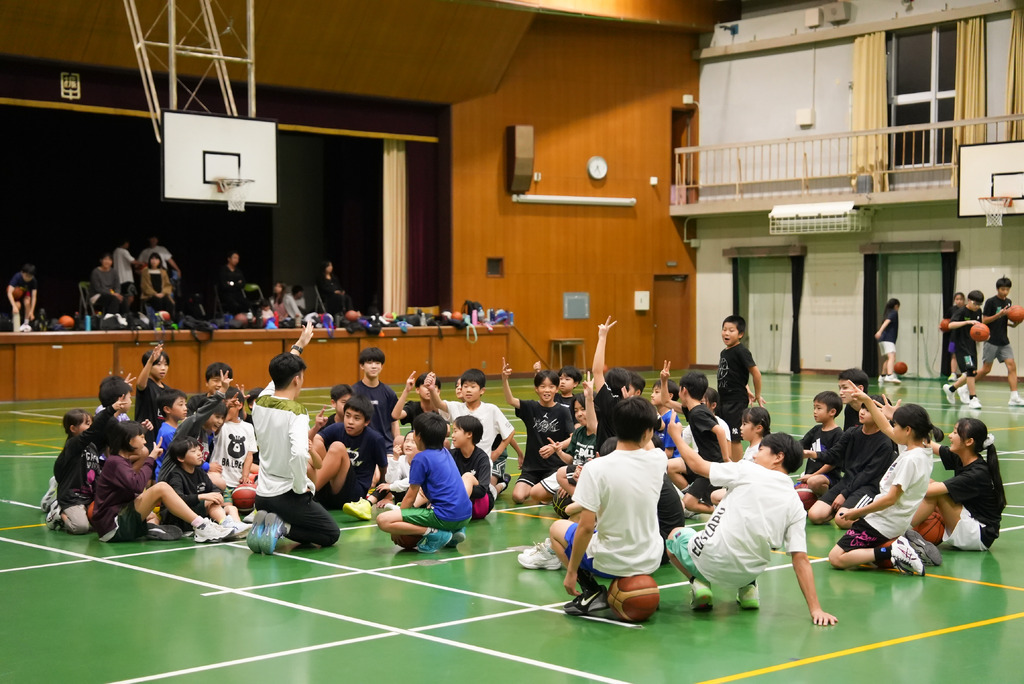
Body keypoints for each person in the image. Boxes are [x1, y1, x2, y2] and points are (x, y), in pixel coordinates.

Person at [664, 425, 838, 625]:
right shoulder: (796, 504)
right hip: (748, 571)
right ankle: (748, 589)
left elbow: (697, 465)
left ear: (778, 457)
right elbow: (801, 559)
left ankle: (699, 582)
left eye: (761, 450)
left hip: (709, 560)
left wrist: (676, 436)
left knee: (674, 535)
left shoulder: (747, 469)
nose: (755, 455)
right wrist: (816, 609)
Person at [547, 396, 666, 616]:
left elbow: (585, 528)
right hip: (651, 558)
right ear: (648, 432)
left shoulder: (596, 469)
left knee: (557, 529)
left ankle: (590, 590)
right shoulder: (658, 460)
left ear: (615, 427)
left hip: (609, 561)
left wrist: (571, 572)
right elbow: (649, 443)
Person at [249, 322, 339, 554]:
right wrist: (301, 488)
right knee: (330, 534)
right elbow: (299, 453)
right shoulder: (297, 412)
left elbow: (278, 376)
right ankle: (281, 527)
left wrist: (299, 345)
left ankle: (268, 522)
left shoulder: (260, 402)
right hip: (287, 496)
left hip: (262, 496)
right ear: (297, 379)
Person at [828, 396, 940, 576]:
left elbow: (890, 499)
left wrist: (857, 512)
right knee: (863, 555)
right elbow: (886, 428)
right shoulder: (921, 450)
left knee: (836, 558)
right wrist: (867, 401)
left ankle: (893, 550)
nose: (891, 428)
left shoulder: (910, 460)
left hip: (882, 521)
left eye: (896, 425)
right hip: (896, 521)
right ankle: (902, 545)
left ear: (908, 430)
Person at [92, 422, 232, 543]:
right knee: (161, 487)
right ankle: (201, 526)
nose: (145, 441)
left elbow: (134, 482)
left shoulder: (120, 461)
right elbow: (137, 485)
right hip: (113, 526)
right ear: (129, 441)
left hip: (115, 523)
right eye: (141, 437)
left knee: (155, 498)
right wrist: (151, 459)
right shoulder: (116, 462)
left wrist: (149, 456)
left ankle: (151, 526)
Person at [518, 378, 598, 570]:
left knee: (572, 510)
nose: (579, 414)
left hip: (591, 484)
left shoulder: (600, 433)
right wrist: (559, 451)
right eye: (576, 410)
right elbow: (570, 460)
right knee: (554, 481)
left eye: (583, 409)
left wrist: (589, 397)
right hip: (578, 477)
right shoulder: (579, 433)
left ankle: (555, 549)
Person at [376, 412, 473, 553]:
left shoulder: (420, 458)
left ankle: (434, 533)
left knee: (383, 520)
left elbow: (410, 496)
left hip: (444, 517)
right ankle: (456, 531)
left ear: (419, 436)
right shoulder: (445, 452)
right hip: (466, 515)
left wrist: (398, 524)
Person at [48, 376, 131, 534]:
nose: (91, 427)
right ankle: (58, 513)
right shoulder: (73, 445)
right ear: (73, 429)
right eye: (87, 424)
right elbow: (96, 428)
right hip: (72, 497)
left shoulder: (93, 446)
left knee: (101, 522)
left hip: (88, 496)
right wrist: (111, 409)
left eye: (91, 423)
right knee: (81, 527)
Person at [913, 417, 1004, 551]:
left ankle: (900, 531)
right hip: (970, 520)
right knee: (930, 484)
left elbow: (928, 491)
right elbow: (927, 444)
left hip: (979, 534)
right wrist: (899, 419)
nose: (950, 435)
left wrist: (903, 481)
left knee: (934, 492)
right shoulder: (962, 458)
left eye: (955, 432)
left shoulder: (977, 473)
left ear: (969, 441)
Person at [805, 394, 895, 527]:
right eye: (862, 408)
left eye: (868, 410)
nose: (862, 412)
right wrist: (812, 454)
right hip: (847, 481)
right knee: (815, 515)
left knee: (842, 520)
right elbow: (833, 455)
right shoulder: (852, 432)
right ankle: (843, 509)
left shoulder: (885, 442)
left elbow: (867, 475)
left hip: (868, 487)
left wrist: (844, 494)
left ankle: (877, 516)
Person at [428, 368, 516, 493]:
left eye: (473, 386)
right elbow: (439, 404)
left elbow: (510, 431)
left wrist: (497, 452)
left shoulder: (491, 410)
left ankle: (500, 486)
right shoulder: (456, 407)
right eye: (465, 386)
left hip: (481, 464)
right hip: (457, 462)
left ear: (482, 390)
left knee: (481, 493)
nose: (468, 390)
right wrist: (432, 390)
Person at [501, 362, 573, 504]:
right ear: (536, 389)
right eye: (542, 386)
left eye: (551, 386)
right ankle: (541, 490)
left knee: (540, 498)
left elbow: (572, 437)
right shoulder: (531, 407)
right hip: (532, 468)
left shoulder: (563, 411)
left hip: (554, 467)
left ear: (556, 389)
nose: (547, 390)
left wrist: (556, 447)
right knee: (518, 497)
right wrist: (504, 379)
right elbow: (510, 400)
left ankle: (543, 491)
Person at [311, 393, 389, 520]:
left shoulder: (375, 439)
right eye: (347, 416)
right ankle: (308, 490)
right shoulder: (337, 428)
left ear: (366, 422)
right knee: (316, 443)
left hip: (353, 495)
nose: (350, 422)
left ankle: (306, 495)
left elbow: (384, 473)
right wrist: (316, 428)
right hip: (328, 493)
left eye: (356, 418)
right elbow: (313, 442)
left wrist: (383, 495)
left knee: (337, 447)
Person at [664, 369, 730, 515]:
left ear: (684, 390)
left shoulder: (698, 413)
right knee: (669, 466)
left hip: (710, 465)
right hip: (701, 459)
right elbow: (666, 401)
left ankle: (719, 510)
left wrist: (726, 459)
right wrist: (664, 381)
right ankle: (692, 492)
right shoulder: (693, 409)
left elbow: (720, 431)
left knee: (689, 504)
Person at [159, 435, 250, 538]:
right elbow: (177, 500)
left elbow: (214, 488)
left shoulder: (199, 472)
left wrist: (217, 495)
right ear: (181, 458)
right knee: (209, 502)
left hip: (198, 512)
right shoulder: (175, 475)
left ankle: (237, 527)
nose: (199, 453)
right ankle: (225, 524)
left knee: (231, 508)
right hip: (180, 518)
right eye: (193, 451)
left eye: (199, 450)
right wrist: (203, 497)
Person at [718, 315, 764, 462]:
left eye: (731, 330)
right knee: (724, 433)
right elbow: (736, 373)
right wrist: (747, 388)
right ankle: (727, 463)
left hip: (736, 401)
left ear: (740, 334)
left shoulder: (741, 351)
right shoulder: (725, 352)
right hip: (723, 400)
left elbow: (756, 373)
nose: (726, 333)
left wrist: (757, 394)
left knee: (734, 436)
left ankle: (737, 468)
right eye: (724, 329)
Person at [975, 277, 1024, 406]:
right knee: (986, 369)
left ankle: (1014, 396)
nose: (1005, 292)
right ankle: (966, 386)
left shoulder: (1008, 302)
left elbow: (1005, 321)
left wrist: (1015, 323)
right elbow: (984, 321)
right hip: (991, 340)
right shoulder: (991, 302)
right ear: (997, 289)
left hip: (1004, 340)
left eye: (1007, 289)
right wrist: (999, 314)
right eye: (1003, 289)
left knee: (1012, 366)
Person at [943, 290, 985, 409]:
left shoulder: (978, 311)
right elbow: (950, 325)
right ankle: (973, 398)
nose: (977, 306)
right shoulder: (961, 311)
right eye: (975, 304)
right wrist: (967, 322)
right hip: (961, 345)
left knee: (972, 372)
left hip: (971, 345)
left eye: (979, 304)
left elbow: (979, 327)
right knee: (970, 370)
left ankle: (952, 389)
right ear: (969, 301)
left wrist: (985, 335)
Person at [797, 391, 844, 497]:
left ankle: (828, 499)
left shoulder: (838, 434)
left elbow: (832, 463)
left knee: (814, 481)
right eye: (814, 408)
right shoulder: (816, 429)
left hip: (828, 477)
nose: (815, 412)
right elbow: (801, 445)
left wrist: (812, 475)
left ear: (832, 412)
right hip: (811, 475)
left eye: (819, 408)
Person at [450, 415, 496, 520]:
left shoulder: (482, 458)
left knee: (468, 477)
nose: (452, 435)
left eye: (456, 431)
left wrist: (460, 487)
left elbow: (482, 490)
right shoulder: (450, 455)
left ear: (469, 434)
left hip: (479, 505)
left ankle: (458, 510)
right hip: (454, 501)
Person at [211, 387, 257, 489]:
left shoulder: (248, 427)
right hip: (220, 479)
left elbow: (249, 455)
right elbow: (218, 425)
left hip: (238, 481)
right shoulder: (221, 425)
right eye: (224, 406)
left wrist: (245, 476)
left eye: (229, 407)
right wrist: (226, 407)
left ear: (239, 405)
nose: (225, 410)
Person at [353, 347, 399, 440]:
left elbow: (394, 422)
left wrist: (397, 441)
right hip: (361, 443)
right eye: (369, 363)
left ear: (381, 366)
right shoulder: (353, 392)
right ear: (362, 366)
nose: (374, 366)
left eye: (377, 363)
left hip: (386, 444)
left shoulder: (389, 393)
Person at [135, 343, 171, 445]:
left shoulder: (168, 390)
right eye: (158, 364)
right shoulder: (146, 386)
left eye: (166, 364)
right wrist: (151, 360)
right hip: (147, 437)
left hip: (162, 437)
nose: (163, 368)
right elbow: (140, 384)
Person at [155, 389, 189, 479]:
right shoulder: (169, 433)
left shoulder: (175, 428)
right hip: (168, 477)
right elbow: (185, 456)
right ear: (167, 409)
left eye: (185, 404)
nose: (185, 408)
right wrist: (207, 466)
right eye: (181, 405)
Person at [89, 252, 130, 322]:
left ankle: (126, 320)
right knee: (114, 299)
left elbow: (117, 286)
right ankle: (110, 321)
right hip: (97, 295)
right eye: (105, 259)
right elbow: (98, 289)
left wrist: (117, 293)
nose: (107, 261)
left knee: (123, 299)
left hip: (111, 294)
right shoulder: (96, 272)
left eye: (109, 260)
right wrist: (113, 294)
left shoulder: (114, 272)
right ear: (101, 260)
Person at [876, 298, 901, 384]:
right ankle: (890, 375)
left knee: (889, 358)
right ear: (896, 306)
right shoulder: (894, 312)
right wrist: (880, 331)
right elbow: (887, 321)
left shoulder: (888, 313)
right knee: (892, 357)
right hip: (888, 339)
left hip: (883, 339)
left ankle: (882, 376)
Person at [112, 239, 143, 308]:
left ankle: (122, 311)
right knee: (130, 297)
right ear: (125, 243)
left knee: (121, 297)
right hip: (126, 278)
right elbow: (133, 261)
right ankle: (125, 311)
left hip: (118, 279)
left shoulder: (115, 251)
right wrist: (142, 263)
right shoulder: (124, 251)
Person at [217, 250, 248, 315]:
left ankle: (245, 318)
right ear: (229, 259)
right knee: (234, 304)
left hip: (237, 293)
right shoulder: (223, 270)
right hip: (226, 294)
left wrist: (232, 283)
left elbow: (243, 284)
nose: (236, 260)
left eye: (238, 258)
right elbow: (224, 285)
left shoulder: (238, 271)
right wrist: (237, 283)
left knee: (246, 303)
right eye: (234, 258)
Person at [7, 263, 37, 329]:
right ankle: (15, 324)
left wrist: (32, 311)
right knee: (17, 306)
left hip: (25, 293)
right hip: (16, 294)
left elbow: (34, 297)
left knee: (27, 302)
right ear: (22, 272)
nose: (28, 278)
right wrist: (14, 306)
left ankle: (26, 324)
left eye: (30, 276)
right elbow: (9, 292)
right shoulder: (17, 277)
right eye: (26, 276)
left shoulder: (33, 281)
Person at [944, 292, 966, 381]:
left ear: (964, 300)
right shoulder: (951, 309)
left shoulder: (967, 309)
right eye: (957, 299)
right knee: (953, 355)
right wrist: (942, 326)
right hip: (953, 336)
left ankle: (965, 373)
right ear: (954, 300)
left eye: (961, 299)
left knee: (965, 355)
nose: (959, 301)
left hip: (965, 336)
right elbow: (946, 320)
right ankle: (953, 374)